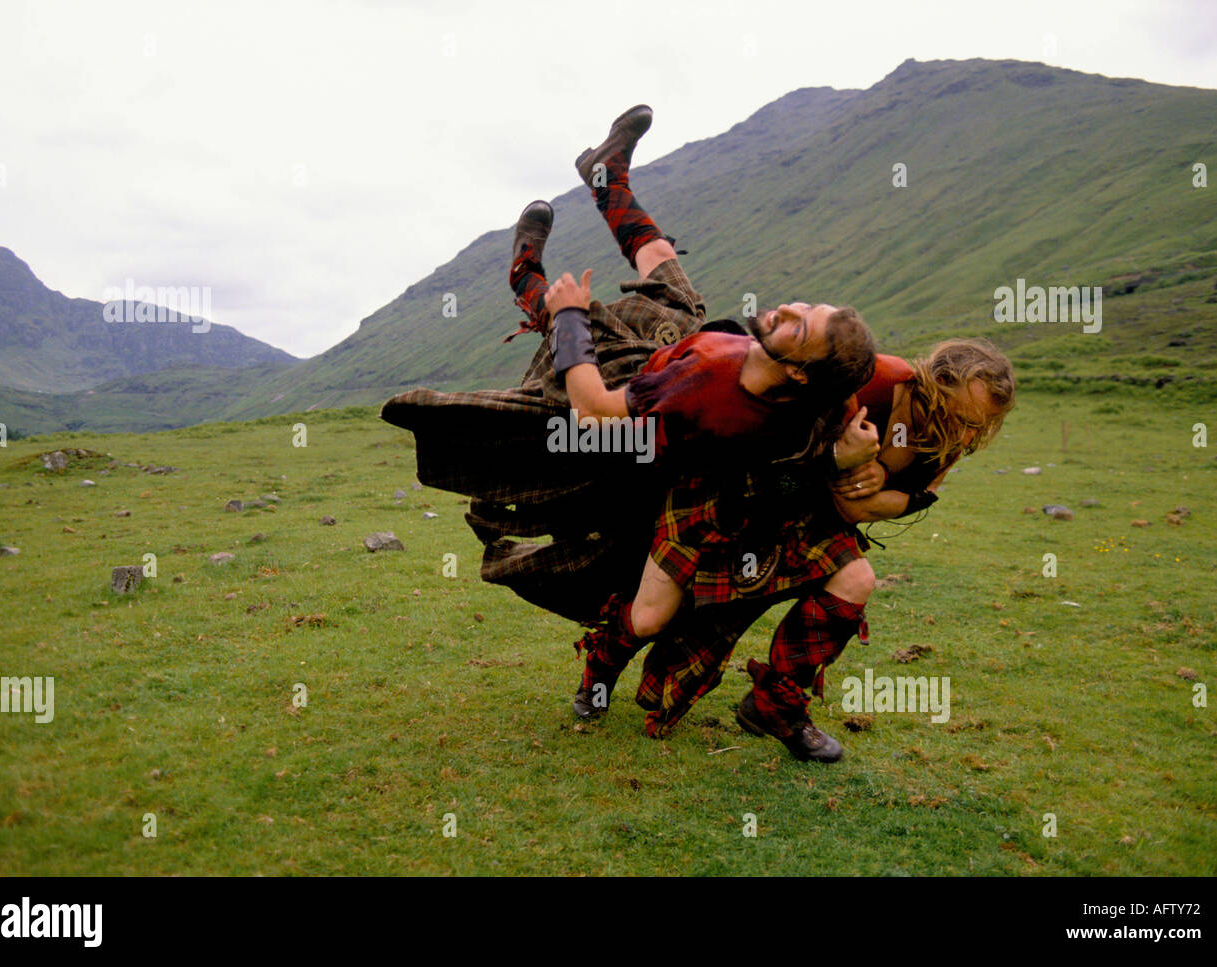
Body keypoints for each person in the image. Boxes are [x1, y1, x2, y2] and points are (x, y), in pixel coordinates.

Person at [382, 104, 878, 632]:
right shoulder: (828, 388)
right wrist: (856, 456)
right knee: (668, 273)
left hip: (617, 399)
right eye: (805, 306)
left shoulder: (702, 385)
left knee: (573, 318)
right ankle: (606, 178)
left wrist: (571, 316)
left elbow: (594, 414)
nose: (787, 309)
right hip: (675, 355)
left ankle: (525, 275)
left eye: (798, 328)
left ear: (800, 371)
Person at [629, 339, 1016, 762]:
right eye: (959, 419)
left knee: (856, 579)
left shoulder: (954, 431)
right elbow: (830, 486)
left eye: (978, 427)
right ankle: (604, 662)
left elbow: (894, 499)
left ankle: (775, 706)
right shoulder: (875, 383)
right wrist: (841, 462)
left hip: (812, 519)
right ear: (940, 381)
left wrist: (892, 487)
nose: (964, 435)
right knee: (653, 619)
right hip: (738, 500)